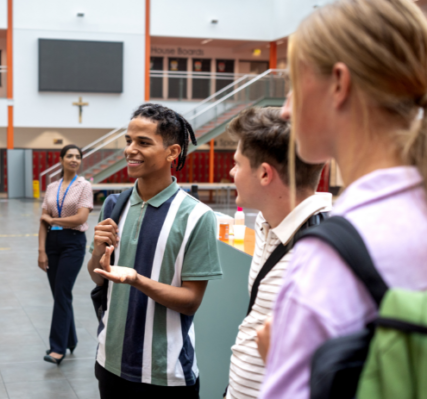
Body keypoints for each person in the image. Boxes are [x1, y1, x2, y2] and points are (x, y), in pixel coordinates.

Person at [257, 0, 427, 397]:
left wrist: (279, 359)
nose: (284, 111)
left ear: (339, 82)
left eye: (293, 86)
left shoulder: (330, 257)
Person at [88, 103, 222, 399]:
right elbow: (98, 278)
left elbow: (190, 301)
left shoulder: (196, 216)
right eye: (129, 141)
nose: (130, 150)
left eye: (143, 143)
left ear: (172, 153)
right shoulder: (113, 206)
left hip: (166, 374)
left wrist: (137, 280)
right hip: (109, 362)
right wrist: (98, 250)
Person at [224, 107, 329, 399]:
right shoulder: (267, 222)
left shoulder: (320, 256)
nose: (231, 173)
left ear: (264, 174)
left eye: (237, 164)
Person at [37, 144, 93, 365]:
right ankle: (71, 339)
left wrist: (54, 221)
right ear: (61, 160)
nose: (74, 159)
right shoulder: (52, 187)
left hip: (73, 243)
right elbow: (42, 221)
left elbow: (81, 218)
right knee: (60, 294)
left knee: (62, 292)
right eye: (69, 156)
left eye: (78, 157)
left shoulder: (84, 186)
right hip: (52, 243)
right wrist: (41, 250)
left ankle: (57, 348)